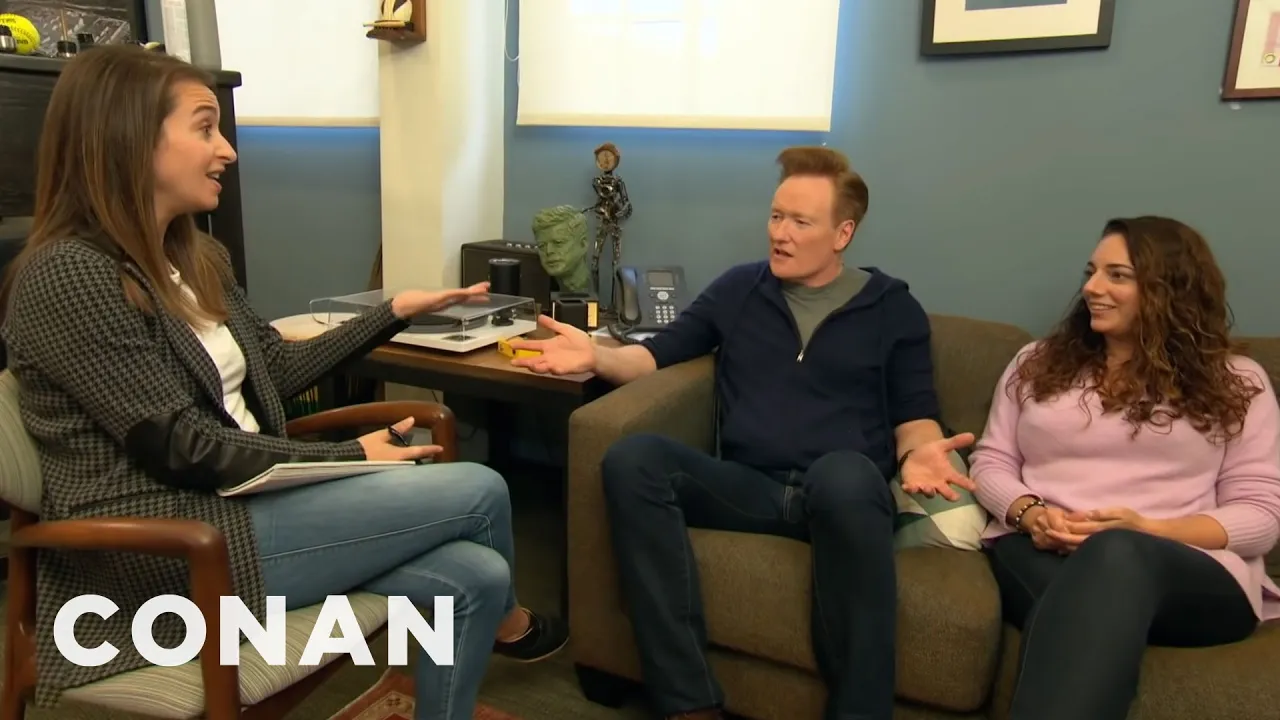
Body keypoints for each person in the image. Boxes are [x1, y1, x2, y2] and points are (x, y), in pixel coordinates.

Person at [0, 45, 567, 719]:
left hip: (244, 507)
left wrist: (392, 313)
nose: (228, 151)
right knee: (478, 487)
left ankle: (476, 655)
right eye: (205, 128)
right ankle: (512, 628)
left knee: (478, 573)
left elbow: (276, 369)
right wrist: (350, 457)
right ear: (128, 136)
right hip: (165, 548)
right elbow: (182, 448)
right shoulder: (67, 276)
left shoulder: (197, 257)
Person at [508, 146, 974, 720]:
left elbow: (915, 414)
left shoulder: (891, 308)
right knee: (633, 460)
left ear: (842, 234)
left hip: (840, 496)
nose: (780, 233)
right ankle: (689, 701)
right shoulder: (739, 289)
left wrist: (921, 452)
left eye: (800, 222)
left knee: (846, 474)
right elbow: (656, 356)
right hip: (749, 487)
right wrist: (597, 356)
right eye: (776, 216)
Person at [968, 216, 1280, 720]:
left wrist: (1147, 530)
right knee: (1093, 605)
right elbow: (991, 460)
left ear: (1169, 288)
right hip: (1041, 548)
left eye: (1117, 275)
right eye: (1091, 272)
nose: (1092, 288)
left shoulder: (1238, 381)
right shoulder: (1035, 362)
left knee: (1115, 554)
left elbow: (1262, 515)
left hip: (1184, 567)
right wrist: (1030, 513)